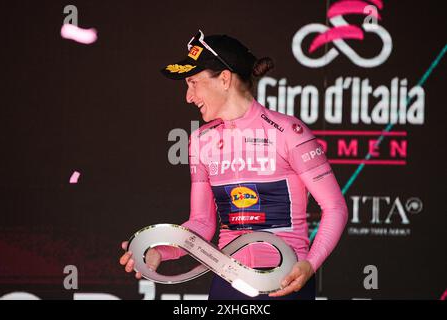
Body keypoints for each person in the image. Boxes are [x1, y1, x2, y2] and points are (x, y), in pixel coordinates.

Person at [119, 30, 348, 300]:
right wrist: (162, 251)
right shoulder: (200, 141)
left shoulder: (289, 132)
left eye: (193, 83)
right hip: (228, 282)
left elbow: (335, 207)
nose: (188, 97)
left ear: (224, 79)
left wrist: (310, 264)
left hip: (286, 280)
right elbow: (202, 222)